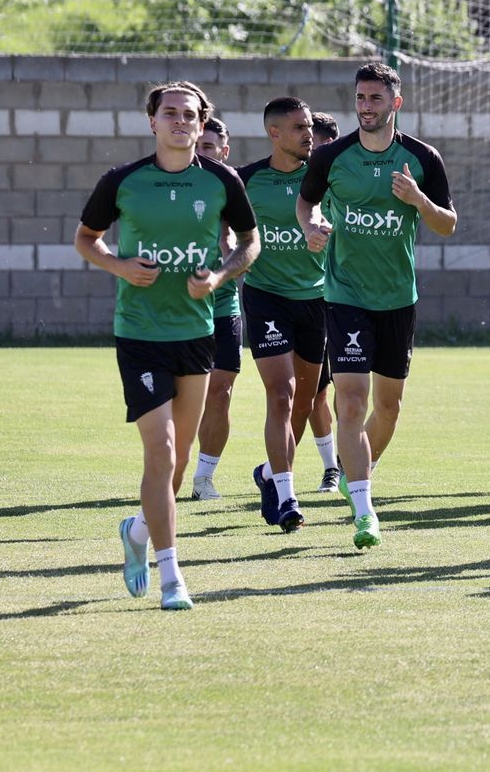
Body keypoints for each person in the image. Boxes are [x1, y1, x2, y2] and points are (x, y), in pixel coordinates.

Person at [75, 81, 259, 610]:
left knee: (175, 465)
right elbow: (86, 238)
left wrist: (220, 277)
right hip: (139, 334)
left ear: (203, 125)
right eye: (171, 114)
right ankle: (172, 576)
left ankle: (136, 533)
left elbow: (250, 243)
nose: (181, 122)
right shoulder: (122, 181)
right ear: (151, 121)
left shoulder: (222, 180)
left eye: (191, 116)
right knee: (161, 449)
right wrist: (119, 266)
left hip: (197, 331)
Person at [297, 62, 456, 550]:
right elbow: (307, 204)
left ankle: (355, 473)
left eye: (375, 99)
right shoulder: (331, 156)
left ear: (396, 103)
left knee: (388, 407)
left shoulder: (423, 158)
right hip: (345, 295)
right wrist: (312, 226)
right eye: (361, 98)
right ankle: (364, 510)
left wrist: (417, 199)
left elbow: (447, 224)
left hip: (397, 300)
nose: (366, 107)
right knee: (350, 400)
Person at [236, 97, 328, 533]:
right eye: (298, 127)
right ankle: (288, 498)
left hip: (318, 299)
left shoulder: (325, 177)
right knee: (281, 394)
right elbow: (221, 229)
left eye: (309, 126)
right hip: (267, 296)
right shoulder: (247, 179)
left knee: (305, 404)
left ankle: (270, 475)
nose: (308, 134)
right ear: (274, 133)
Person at [187, 117, 244, 500]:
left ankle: (204, 477)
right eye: (198, 146)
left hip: (223, 302)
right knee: (183, 396)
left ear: (223, 152)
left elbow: (249, 239)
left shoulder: (233, 187)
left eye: (209, 148)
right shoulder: (170, 184)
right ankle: (169, 466)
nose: (201, 154)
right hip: (180, 305)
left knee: (220, 391)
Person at [306, 111, 340, 491]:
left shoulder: (346, 182)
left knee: (346, 387)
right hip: (305, 299)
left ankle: (344, 463)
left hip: (345, 297)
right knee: (315, 388)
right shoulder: (302, 188)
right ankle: (332, 466)